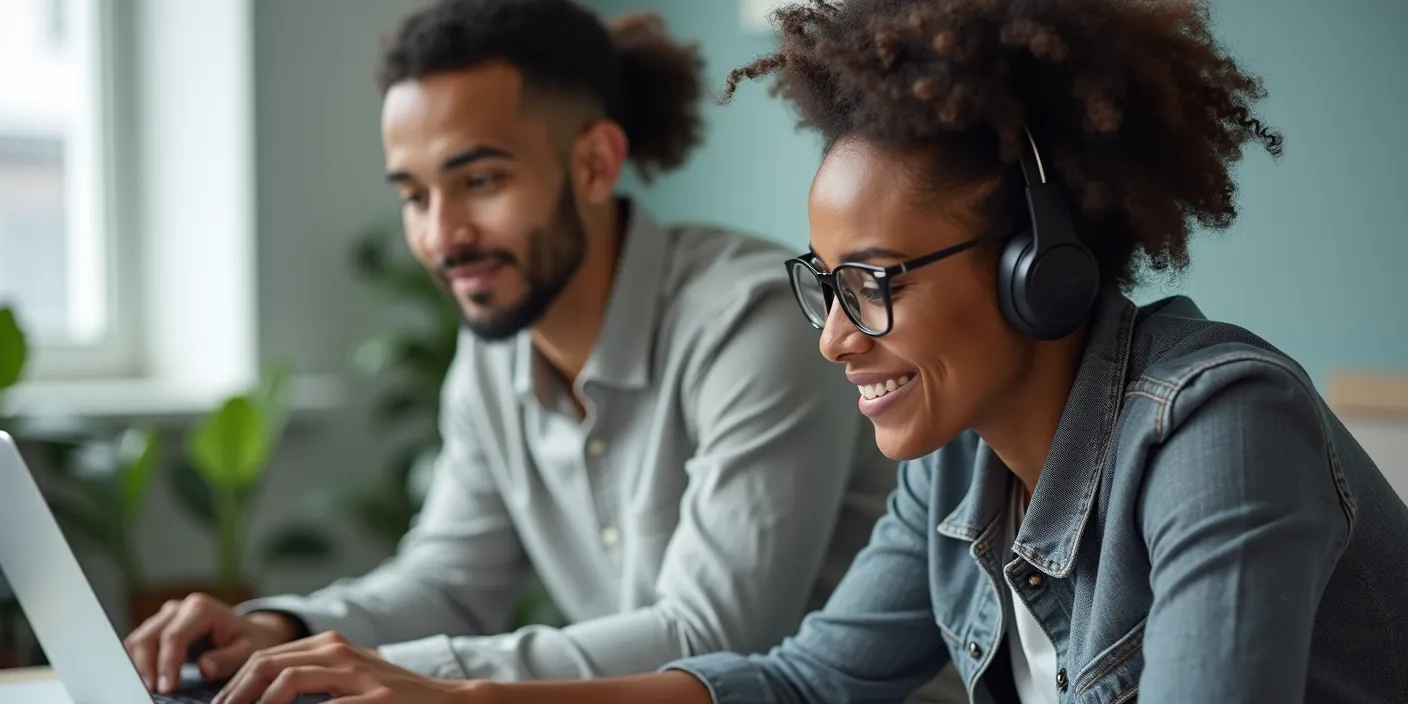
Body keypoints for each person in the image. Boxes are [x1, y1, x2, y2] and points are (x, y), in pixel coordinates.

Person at [184, 0, 1408, 701]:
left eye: (871, 284)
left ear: (1041, 261)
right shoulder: (959, 461)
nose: (831, 335)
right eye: (826, 284)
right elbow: (806, 680)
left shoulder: (1217, 433)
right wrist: (456, 701)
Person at [119, 0, 910, 700]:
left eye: (481, 181)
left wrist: (414, 676)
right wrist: (282, 628)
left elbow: (711, 637)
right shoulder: (496, 347)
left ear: (595, 163)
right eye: (415, 196)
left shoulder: (753, 322)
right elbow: (451, 580)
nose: (441, 236)